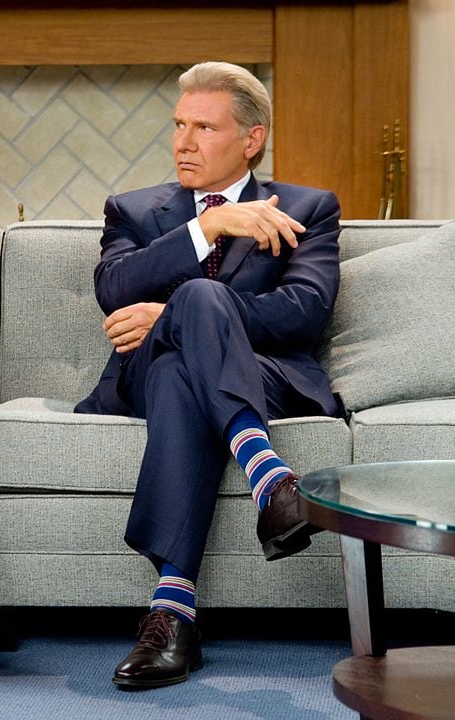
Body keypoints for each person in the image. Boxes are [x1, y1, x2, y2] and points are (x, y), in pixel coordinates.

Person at [74, 61, 344, 689]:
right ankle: (270, 479)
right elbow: (113, 288)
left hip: (265, 373)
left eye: (204, 127)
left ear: (252, 139)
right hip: (138, 377)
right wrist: (208, 226)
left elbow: (304, 313)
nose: (183, 142)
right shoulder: (135, 210)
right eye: (178, 125)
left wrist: (179, 312)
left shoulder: (307, 207)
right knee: (175, 348)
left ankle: (171, 613)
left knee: (181, 361)